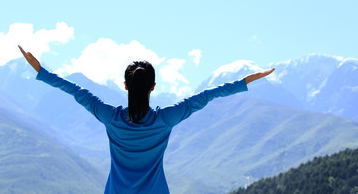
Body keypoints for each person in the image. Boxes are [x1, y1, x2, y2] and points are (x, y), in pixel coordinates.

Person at [18, 45, 275, 194]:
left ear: (125, 86)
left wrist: (41, 70)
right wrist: (244, 81)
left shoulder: (110, 117)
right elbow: (206, 96)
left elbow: (75, 90)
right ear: (153, 87)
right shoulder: (165, 119)